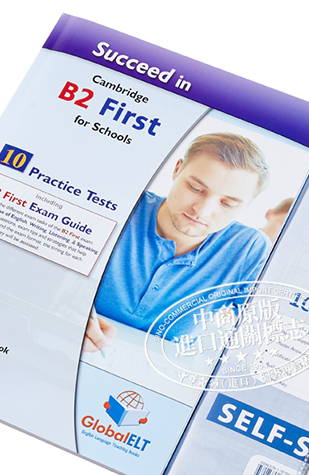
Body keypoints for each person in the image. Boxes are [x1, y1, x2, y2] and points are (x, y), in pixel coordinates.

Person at [83, 133, 271, 351]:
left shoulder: (249, 249)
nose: (202, 211)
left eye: (227, 204)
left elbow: (261, 333)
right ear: (177, 169)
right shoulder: (118, 206)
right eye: (196, 188)